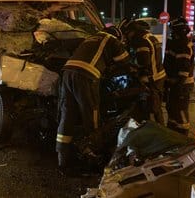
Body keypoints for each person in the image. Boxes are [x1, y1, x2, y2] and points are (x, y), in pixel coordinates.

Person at [56, 26, 132, 173]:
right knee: (91, 113)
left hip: (67, 73)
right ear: (117, 36)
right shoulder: (112, 40)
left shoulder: (90, 38)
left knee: (67, 114)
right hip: (86, 75)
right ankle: (92, 154)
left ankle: (62, 158)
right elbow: (125, 61)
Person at [118, 19, 166, 125]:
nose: (127, 37)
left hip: (151, 79)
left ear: (132, 31)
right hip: (158, 76)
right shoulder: (148, 36)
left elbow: (143, 61)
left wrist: (131, 65)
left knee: (151, 108)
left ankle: (154, 132)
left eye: (127, 34)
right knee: (156, 108)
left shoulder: (140, 40)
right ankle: (159, 130)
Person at [163, 18, 195, 135]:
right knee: (172, 108)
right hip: (176, 84)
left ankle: (183, 134)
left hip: (182, 85)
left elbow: (183, 70)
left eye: (173, 30)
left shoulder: (182, 45)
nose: (172, 33)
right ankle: (173, 132)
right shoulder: (176, 43)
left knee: (180, 109)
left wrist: (174, 83)